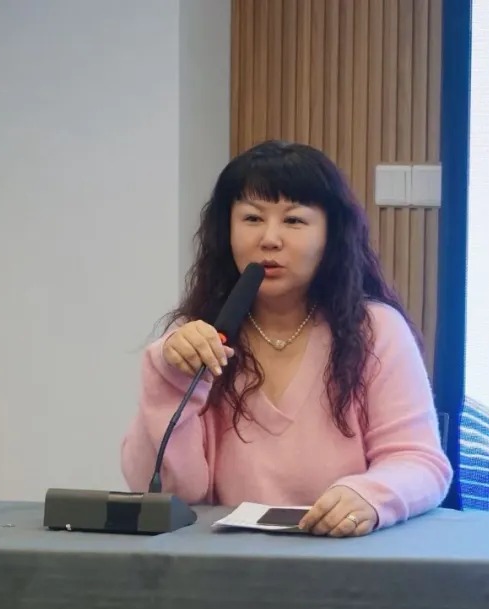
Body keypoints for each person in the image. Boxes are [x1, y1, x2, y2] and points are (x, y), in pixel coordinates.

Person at [121, 140, 452, 537]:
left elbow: (419, 461)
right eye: (251, 218)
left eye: (294, 221)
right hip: (226, 563)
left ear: (330, 234)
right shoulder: (200, 337)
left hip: (345, 556)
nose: (270, 239)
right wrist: (170, 378)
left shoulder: (376, 329)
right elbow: (167, 494)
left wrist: (369, 496)